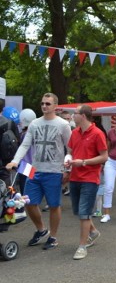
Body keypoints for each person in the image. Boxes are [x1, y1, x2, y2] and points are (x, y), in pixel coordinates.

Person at [6, 93, 71, 250]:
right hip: (34, 170)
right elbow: (25, 145)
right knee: (29, 202)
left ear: (55, 106)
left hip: (54, 171)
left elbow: (70, 148)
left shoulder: (63, 124)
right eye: (42, 103)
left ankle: (53, 237)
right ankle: (42, 230)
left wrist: (67, 167)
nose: (44, 106)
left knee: (54, 205)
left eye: (48, 104)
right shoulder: (35, 124)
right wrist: (15, 160)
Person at [65, 105, 108, 260]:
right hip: (75, 177)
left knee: (84, 213)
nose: (71, 116)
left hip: (90, 178)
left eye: (74, 114)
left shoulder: (97, 133)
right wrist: (68, 161)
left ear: (83, 116)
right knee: (79, 211)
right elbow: (70, 152)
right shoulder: (75, 133)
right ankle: (94, 232)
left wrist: (83, 162)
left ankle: (82, 246)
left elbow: (104, 157)